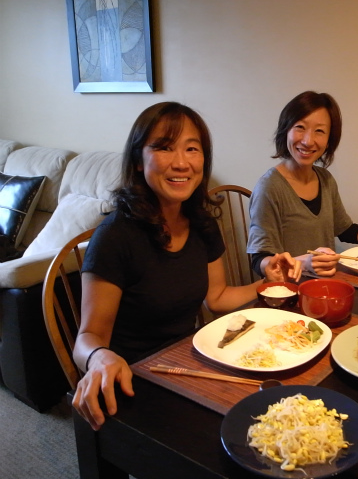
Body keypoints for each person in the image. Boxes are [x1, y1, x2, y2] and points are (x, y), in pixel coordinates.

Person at [72, 102, 301, 431]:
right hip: (131, 380)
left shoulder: (201, 222)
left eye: (192, 149)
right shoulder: (115, 236)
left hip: (185, 361)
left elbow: (217, 298)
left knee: (278, 412)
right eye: (164, 147)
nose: (181, 163)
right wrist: (99, 357)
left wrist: (269, 282)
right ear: (138, 160)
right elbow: (88, 337)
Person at [247, 91, 358, 277]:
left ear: (329, 140)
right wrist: (302, 263)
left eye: (319, 131)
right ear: (285, 130)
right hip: (291, 289)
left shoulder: (325, 179)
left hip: (327, 283)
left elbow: (346, 230)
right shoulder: (269, 187)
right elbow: (259, 259)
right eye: (300, 127)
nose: (308, 141)